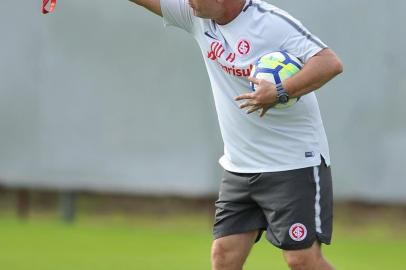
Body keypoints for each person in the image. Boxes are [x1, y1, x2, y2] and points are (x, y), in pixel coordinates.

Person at [128, 0, 343, 269]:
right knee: (224, 255)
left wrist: (279, 91)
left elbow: (329, 62)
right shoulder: (197, 15)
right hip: (240, 167)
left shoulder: (271, 23)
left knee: (302, 259)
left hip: (294, 163)